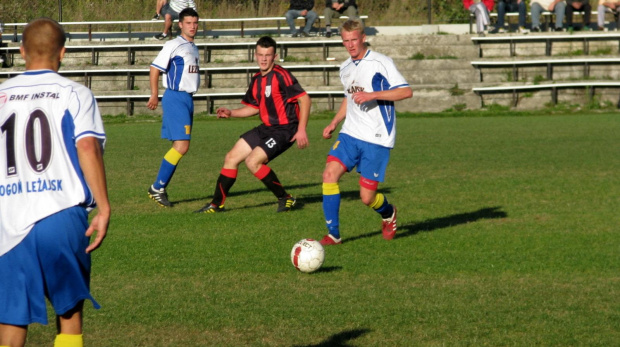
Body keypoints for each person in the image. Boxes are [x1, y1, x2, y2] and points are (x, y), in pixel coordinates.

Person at [0, 17, 110, 347]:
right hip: (61, 214)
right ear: (62, 52)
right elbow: (87, 145)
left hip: (10, 219)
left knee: (11, 317)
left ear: (21, 52)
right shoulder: (75, 93)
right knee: (69, 313)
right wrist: (103, 207)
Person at [319, 19, 412, 246]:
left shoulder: (381, 62)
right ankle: (334, 234)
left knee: (367, 197)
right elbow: (349, 98)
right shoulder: (345, 68)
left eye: (354, 40)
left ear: (362, 38)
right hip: (350, 133)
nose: (350, 45)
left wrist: (372, 95)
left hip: (376, 138)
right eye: (346, 41)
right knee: (329, 175)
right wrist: (334, 122)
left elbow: (406, 92)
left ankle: (388, 213)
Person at [194, 36, 310, 214]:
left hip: (285, 130)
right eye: (261, 54)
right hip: (266, 128)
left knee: (253, 161)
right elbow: (253, 108)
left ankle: (285, 198)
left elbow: (305, 99)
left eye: (268, 55)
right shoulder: (257, 79)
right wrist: (231, 113)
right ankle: (216, 205)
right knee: (231, 157)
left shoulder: (282, 75)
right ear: (255, 55)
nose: (264, 59)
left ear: (275, 56)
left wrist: (301, 129)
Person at [147, 8, 200, 207]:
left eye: (195, 23)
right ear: (180, 24)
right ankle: (157, 187)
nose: (192, 26)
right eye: (188, 23)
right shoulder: (174, 44)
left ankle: (158, 187)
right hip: (176, 97)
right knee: (181, 145)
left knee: (181, 146)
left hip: (187, 98)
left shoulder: (192, 47)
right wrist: (154, 94)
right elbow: (154, 68)